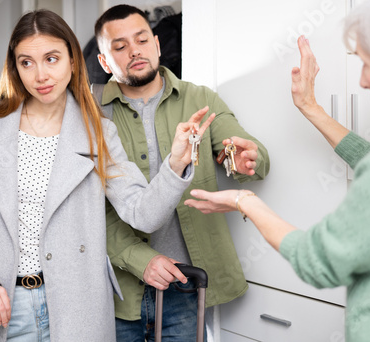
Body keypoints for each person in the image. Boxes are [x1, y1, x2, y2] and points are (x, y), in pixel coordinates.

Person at [0, 9, 215, 342]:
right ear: (15, 66)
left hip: (75, 307)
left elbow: (142, 213)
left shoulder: (98, 130)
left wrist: (176, 162)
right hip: (4, 303)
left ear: (73, 61)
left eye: (52, 58)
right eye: (27, 62)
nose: (40, 75)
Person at [185, 0, 370, 340]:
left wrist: (245, 200)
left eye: (367, 64)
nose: (362, 82)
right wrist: (311, 107)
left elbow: (316, 261)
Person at [93, 4, 270, 341]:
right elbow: (87, 210)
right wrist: (137, 258)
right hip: (115, 290)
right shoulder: (89, 113)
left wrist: (248, 157)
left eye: (142, 39)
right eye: (119, 47)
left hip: (185, 286)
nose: (134, 52)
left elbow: (250, 154)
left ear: (157, 44)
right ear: (104, 61)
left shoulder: (200, 99)